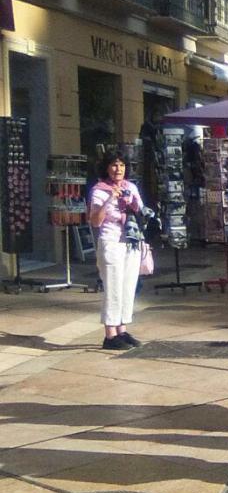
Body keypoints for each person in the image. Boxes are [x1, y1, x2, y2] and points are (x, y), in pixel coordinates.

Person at [88, 150, 145, 351]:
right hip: (111, 241)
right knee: (112, 287)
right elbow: (95, 221)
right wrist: (110, 199)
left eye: (121, 165)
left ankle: (122, 329)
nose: (118, 169)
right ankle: (110, 334)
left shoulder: (131, 187)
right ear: (106, 168)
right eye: (113, 165)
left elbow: (142, 214)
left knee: (128, 286)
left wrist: (134, 204)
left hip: (130, 241)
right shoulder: (99, 190)